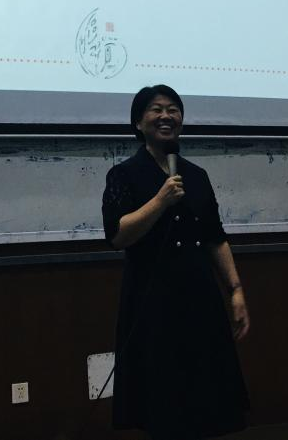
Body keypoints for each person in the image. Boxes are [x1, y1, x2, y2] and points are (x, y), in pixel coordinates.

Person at [102, 85, 250, 440]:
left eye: (173, 109)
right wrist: (160, 200)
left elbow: (215, 237)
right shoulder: (124, 174)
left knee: (207, 397)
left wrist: (235, 290)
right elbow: (118, 235)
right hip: (153, 300)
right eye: (156, 109)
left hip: (200, 296)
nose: (166, 116)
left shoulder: (196, 175)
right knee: (163, 401)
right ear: (139, 122)